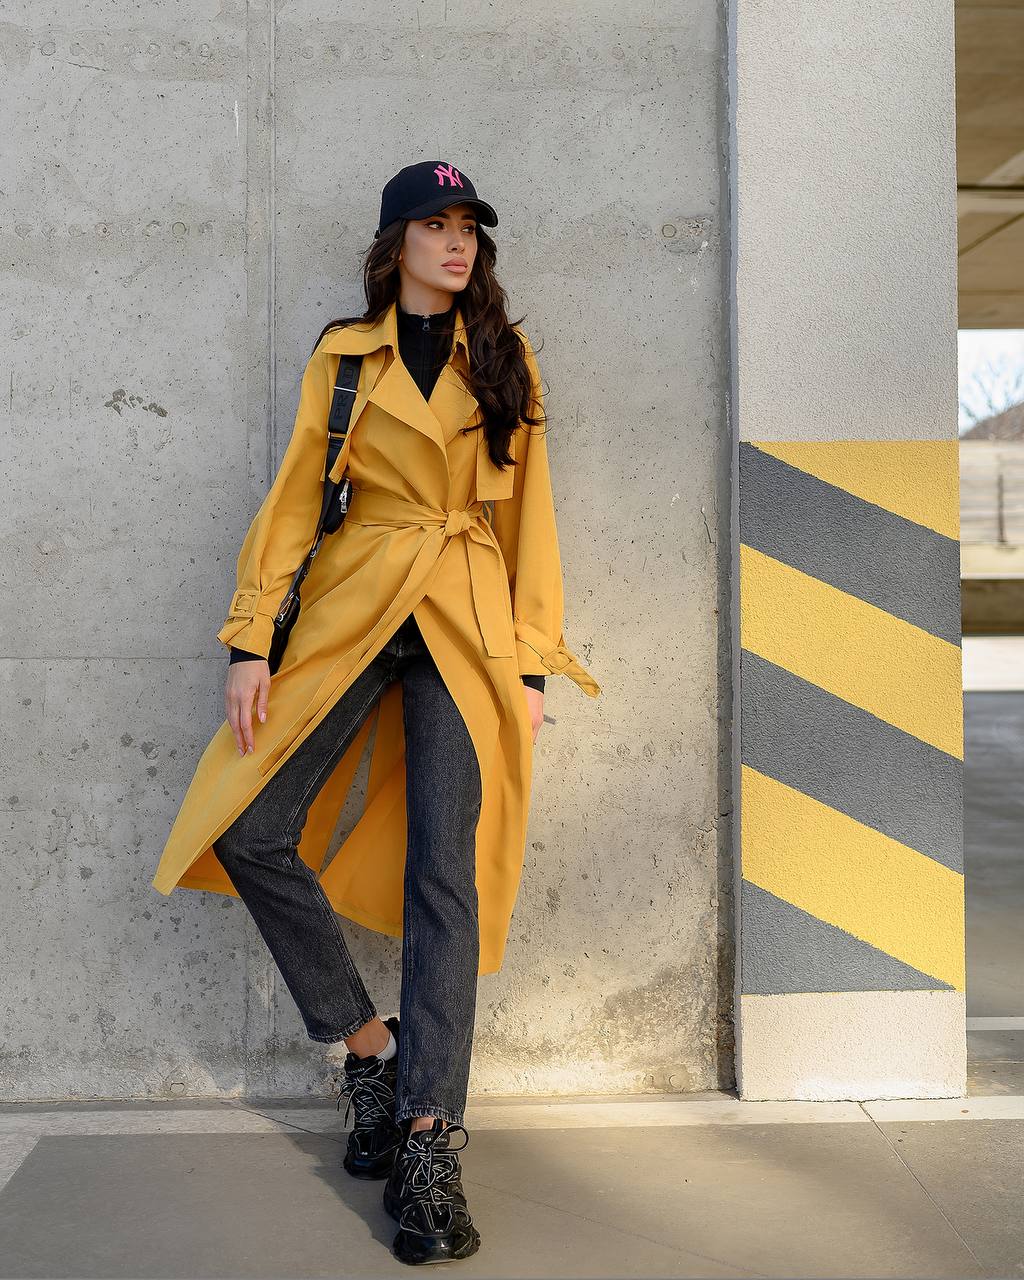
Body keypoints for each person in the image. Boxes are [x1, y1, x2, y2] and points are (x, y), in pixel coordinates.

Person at [150, 159, 601, 1266]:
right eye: (435, 225)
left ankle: (429, 1135)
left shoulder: (504, 356)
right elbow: (296, 496)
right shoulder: (343, 356)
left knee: (443, 873)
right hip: (355, 606)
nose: (456, 245)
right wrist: (254, 639)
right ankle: (369, 1043)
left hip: (465, 615)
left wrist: (533, 664)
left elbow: (532, 510)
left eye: (468, 229)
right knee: (251, 825)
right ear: (394, 240)